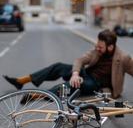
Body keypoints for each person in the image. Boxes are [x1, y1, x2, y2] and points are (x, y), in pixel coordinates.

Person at [3, 29, 133, 99]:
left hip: (96, 84)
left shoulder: (123, 58)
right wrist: (75, 73)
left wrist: (76, 79)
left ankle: (38, 95)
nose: (97, 48)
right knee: (59, 66)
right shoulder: (97, 50)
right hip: (85, 73)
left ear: (110, 47)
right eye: (96, 45)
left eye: (100, 47)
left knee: (71, 85)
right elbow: (80, 60)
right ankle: (21, 81)